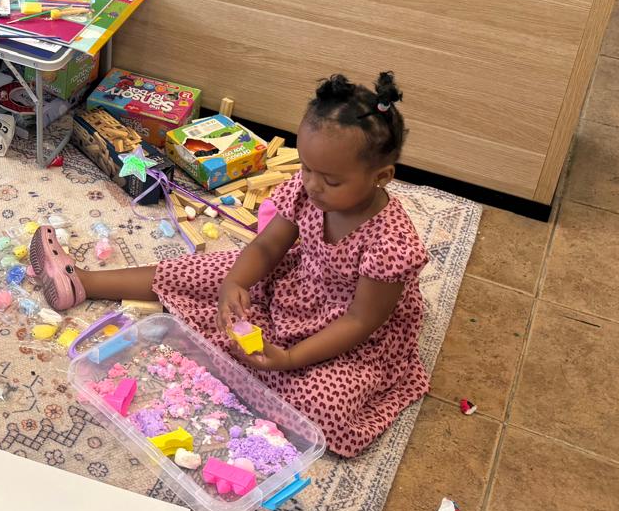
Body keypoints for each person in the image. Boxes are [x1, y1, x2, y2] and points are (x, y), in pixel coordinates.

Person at [30, 73, 428, 457]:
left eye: (331, 180)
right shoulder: (308, 190)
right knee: (204, 271)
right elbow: (267, 247)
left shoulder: (391, 242)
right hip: (297, 282)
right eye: (306, 168)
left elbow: (359, 321)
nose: (312, 184)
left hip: (348, 332)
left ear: (382, 177)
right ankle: (83, 282)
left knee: (323, 407)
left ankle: (256, 369)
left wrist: (291, 359)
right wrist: (234, 284)